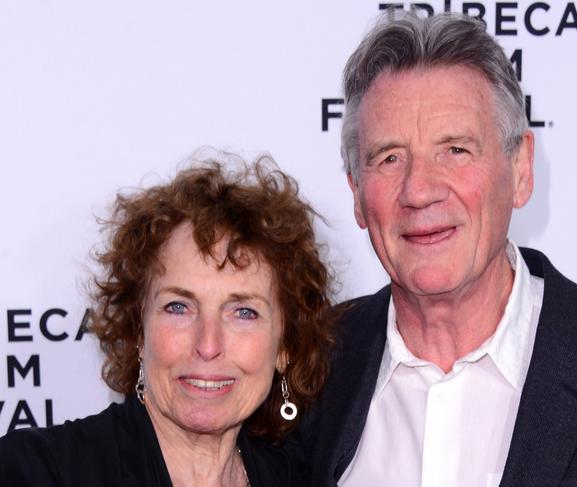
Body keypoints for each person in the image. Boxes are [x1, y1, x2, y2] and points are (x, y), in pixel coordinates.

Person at [297, 11, 577, 487]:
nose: (419, 190)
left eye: (455, 150)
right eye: (389, 158)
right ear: (357, 193)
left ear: (521, 170)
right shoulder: (309, 366)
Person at [0, 153, 334, 487]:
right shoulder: (36, 471)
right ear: (138, 330)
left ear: (285, 347)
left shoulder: (301, 479)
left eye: (244, 312)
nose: (208, 345)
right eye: (179, 307)